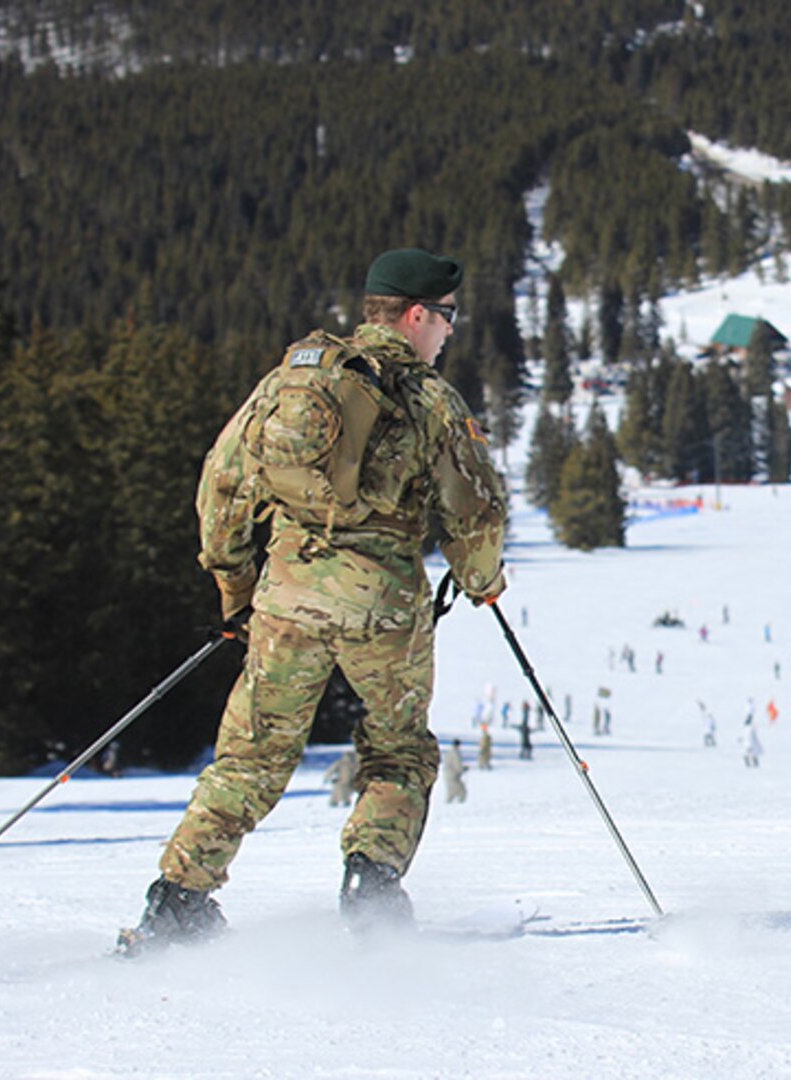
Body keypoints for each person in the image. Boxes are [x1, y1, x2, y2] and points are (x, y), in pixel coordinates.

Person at [123, 249, 507, 949]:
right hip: (383, 611)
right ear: (416, 315)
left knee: (250, 758)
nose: (450, 332)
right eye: (447, 318)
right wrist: (483, 581)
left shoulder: (292, 381)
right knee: (398, 752)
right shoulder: (430, 400)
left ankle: (178, 899)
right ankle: (372, 893)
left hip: (287, 601)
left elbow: (223, 484)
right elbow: (475, 513)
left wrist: (234, 587)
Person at [442, 739, 468, 804]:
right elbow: (457, 765)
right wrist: (463, 769)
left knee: (451, 792)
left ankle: (448, 805)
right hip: (453, 775)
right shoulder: (456, 753)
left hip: (447, 774)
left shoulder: (448, 752)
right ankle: (460, 806)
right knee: (462, 791)